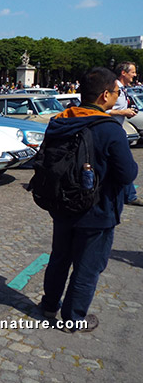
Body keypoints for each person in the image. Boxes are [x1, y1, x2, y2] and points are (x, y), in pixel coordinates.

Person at [40, 67, 138, 333]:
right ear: (105, 95)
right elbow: (128, 173)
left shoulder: (60, 120)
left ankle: (49, 305)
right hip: (97, 209)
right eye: (117, 93)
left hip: (61, 204)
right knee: (87, 267)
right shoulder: (109, 129)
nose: (117, 97)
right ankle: (73, 318)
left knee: (59, 258)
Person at [107, 61, 142, 206]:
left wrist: (127, 113)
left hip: (117, 130)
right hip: (109, 132)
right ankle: (129, 195)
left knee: (119, 164)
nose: (135, 75)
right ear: (123, 73)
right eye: (132, 72)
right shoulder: (113, 88)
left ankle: (126, 194)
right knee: (124, 163)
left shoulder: (123, 89)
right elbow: (101, 109)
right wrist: (123, 112)